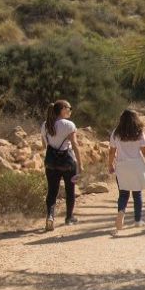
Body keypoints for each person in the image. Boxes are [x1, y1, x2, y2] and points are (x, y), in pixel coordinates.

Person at [107, 108, 145, 237]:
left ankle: (121, 212)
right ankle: (138, 220)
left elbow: (111, 152)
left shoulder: (116, 133)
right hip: (137, 165)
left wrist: (110, 165)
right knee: (137, 193)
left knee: (123, 194)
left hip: (122, 166)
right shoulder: (139, 132)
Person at [41, 99, 82, 232]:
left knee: (52, 191)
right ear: (63, 109)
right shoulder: (69, 125)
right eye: (69, 108)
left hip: (51, 163)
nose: (70, 110)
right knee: (70, 190)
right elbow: (75, 145)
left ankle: (50, 216)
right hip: (68, 162)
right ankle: (69, 217)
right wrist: (80, 164)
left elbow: (44, 145)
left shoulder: (45, 125)